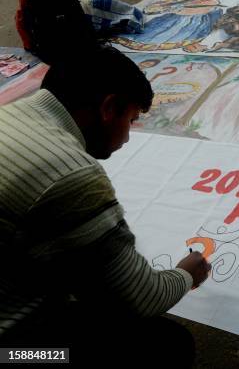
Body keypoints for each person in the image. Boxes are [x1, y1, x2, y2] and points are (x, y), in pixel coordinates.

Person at [0, 46, 210, 367]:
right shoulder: (69, 173)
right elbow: (141, 298)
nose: (128, 136)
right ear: (109, 108)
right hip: (12, 354)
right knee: (164, 345)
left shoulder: (10, 114)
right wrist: (186, 274)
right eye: (132, 119)